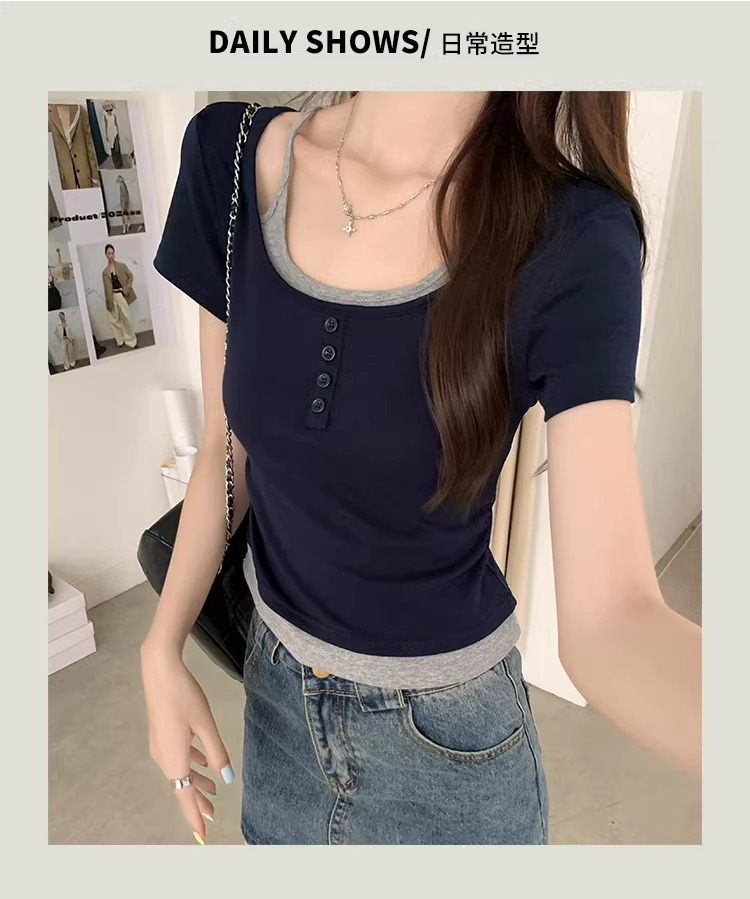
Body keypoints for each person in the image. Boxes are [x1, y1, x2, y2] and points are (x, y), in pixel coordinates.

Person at [142, 92, 702, 846]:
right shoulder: (231, 157)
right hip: (274, 710)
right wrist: (160, 645)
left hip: (448, 753)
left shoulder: (572, 234)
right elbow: (226, 446)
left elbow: (614, 619)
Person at [102, 243, 138, 349]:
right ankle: (120, 341)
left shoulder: (122, 266)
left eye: (112, 253)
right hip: (111, 296)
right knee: (114, 320)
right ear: (105, 255)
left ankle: (131, 341)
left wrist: (126, 289)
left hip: (121, 294)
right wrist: (108, 302)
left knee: (127, 318)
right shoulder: (105, 272)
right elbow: (106, 289)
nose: (111, 255)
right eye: (109, 253)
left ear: (114, 253)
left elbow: (130, 276)